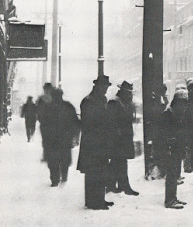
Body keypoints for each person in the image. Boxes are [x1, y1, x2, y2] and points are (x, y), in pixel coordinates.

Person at [77, 75, 114, 210]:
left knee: (101, 170)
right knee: (93, 172)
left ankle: (100, 199)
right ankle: (93, 202)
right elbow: (88, 123)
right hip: (92, 142)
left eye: (107, 87)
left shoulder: (101, 99)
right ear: (97, 86)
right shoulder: (89, 101)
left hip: (101, 141)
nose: (105, 89)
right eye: (104, 87)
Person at [107, 80, 139, 196]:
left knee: (119, 161)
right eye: (129, 92)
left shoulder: (126, 102)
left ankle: (116, 185)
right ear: (123, 91)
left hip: (124, 137)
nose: (130, 95)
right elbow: (111, 122)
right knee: (118, 161)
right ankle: (120, 186)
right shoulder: (114, 102)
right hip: (117, 138)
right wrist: (117, 133)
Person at [43, 89, 80, 186]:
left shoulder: (48, 107)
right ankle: (63, 175)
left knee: (53, 160)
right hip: (64, 138)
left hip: (53, 139)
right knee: (64, 158)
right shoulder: (68, 106)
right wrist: (73, 135)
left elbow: (43, 125)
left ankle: (55, 179)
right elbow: (75, 122)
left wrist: (45, 138)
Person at [160, 89, 188, 209]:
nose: (184, 106)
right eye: (182, 103)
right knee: (171, 174)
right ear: (176, 102)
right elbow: (162, 135)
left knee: (175, 174)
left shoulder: (177, 114)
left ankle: (173, 197)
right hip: (169, 149)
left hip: (176, 148)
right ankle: (170, 200)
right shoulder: (167, 115)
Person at [36, 83, 54, 158]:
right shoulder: (54, 98)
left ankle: (47, 153)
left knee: (46, 138)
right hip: (49, 122)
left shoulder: (41, 99)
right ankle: (48, 152)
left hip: (46, 122)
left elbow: (37, 110)